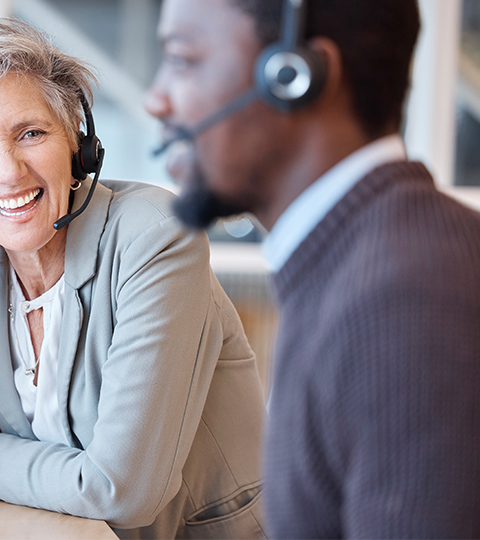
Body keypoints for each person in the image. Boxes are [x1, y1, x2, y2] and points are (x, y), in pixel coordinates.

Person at [0, 18, 267, 539]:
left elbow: (123, 493)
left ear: (78, 144)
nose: (8, 172)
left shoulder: (156, 239)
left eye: (31, 133)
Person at [146, 0, 480, 537]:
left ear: (294, 75)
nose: (154, 98)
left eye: (184, 60)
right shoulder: (360, 262)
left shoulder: (402, 302)